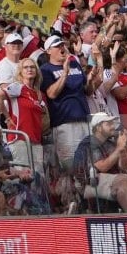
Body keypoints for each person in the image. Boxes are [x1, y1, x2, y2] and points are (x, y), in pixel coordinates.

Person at [41, 35, 90, 169]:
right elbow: (51, 93)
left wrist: (95, 76)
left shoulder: (75, 64)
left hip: (84, 118)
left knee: (88, 161)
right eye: (57, 46)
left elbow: (88, 90)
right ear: (49, 51)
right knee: (70, 164)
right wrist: (65, 73)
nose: (62, 48)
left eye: (62, 45)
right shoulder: (45, 69)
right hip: (64, 122)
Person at [0, 58, 48, 176]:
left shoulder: (38, 93)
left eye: (32, 67)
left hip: (36, 140)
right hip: (19, 138)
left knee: (39, 178)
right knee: (23, 176)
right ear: (20, 71)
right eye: (26, 67)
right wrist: (7, 118)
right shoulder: (18, 87)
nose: (29, 69)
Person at [74, 112, 127, 212]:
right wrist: (118, 149)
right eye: (108, 124)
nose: (113, 126)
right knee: (123, 181)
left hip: (110, 179)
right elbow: (101, 167)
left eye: (113, 123)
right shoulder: (89, 143)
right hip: (89, 183)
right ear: (99, 128)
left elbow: (123, 167)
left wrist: (123, 149)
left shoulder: (110, 143)